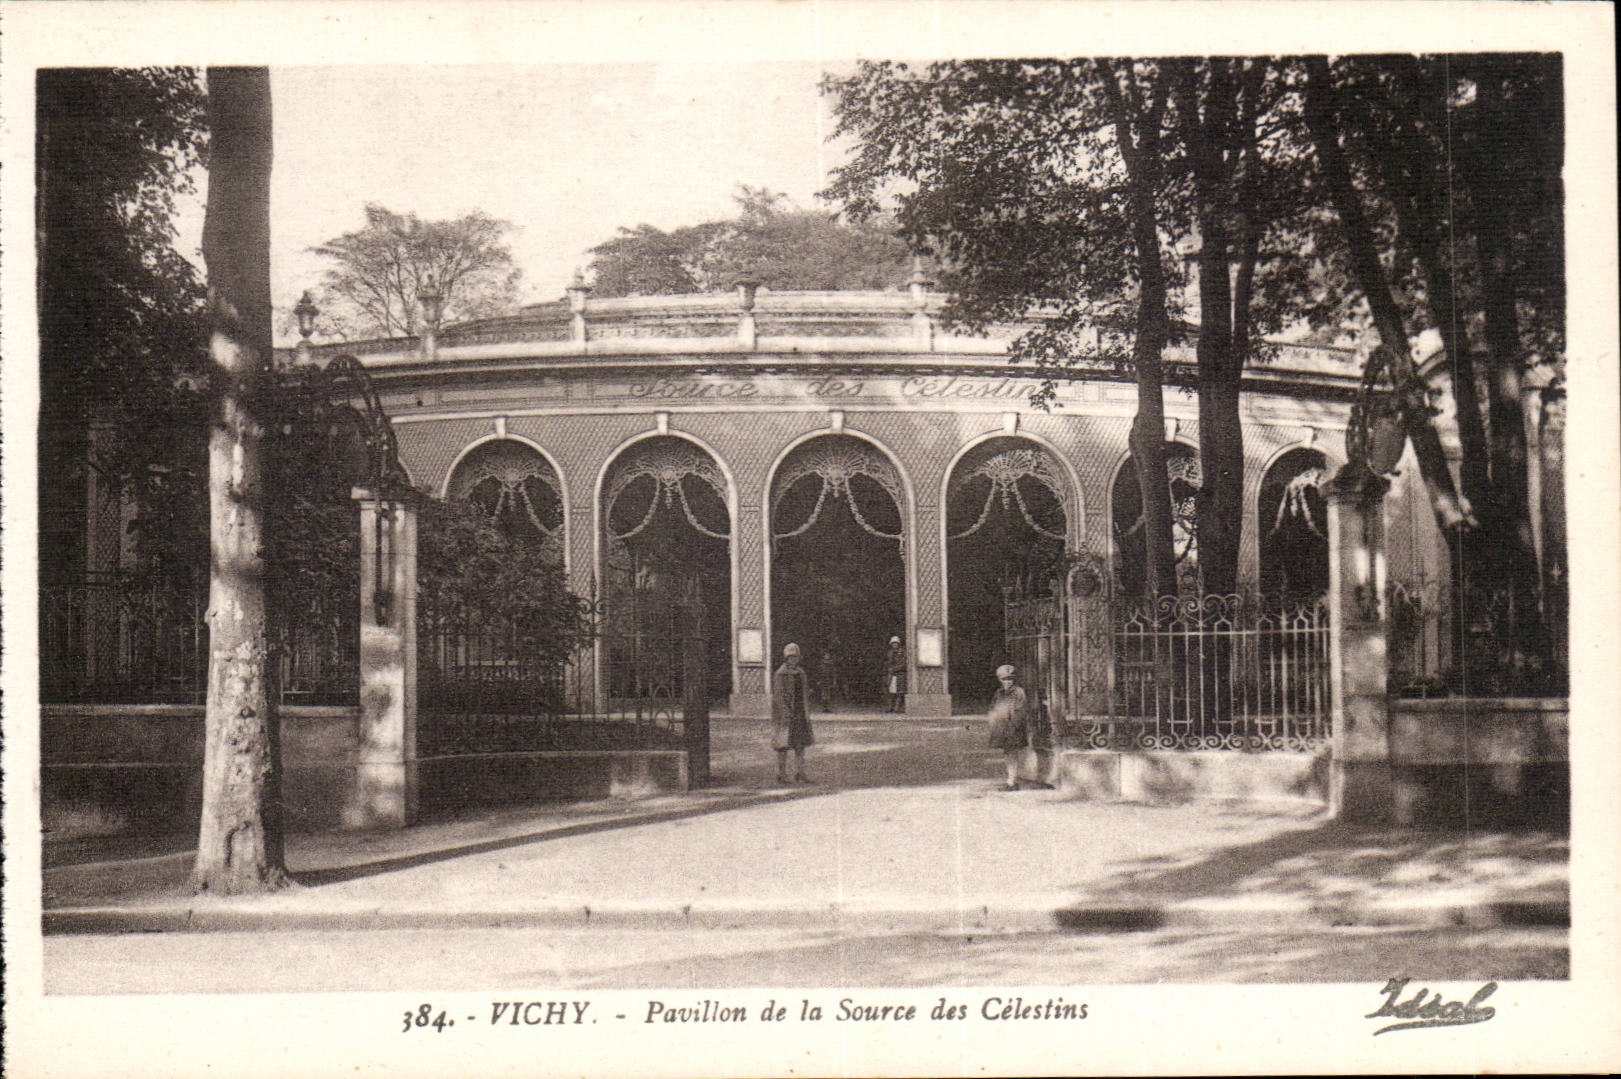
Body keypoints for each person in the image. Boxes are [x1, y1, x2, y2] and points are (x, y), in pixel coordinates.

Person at [771, 642, 814, 784]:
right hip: (786, 715)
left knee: (800, 745)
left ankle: (800, 772)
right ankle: (781, 774)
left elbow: (803, 692)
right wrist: (785, 712)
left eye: (795, 657)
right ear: (786, 658)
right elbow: (778, 696)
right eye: (790, 657)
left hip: (800, 712)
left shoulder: (801, 673)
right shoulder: (780, 674)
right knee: (783, 745)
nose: (793, 660)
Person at [986, 663, 1031, 791]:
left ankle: (1012, 781)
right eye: (1004, 679)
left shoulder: (1019, 692)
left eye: (1010, 679)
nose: (1007, 682)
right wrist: (993, 722)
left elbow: (1020, 711)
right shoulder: (999, 693)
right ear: (1000, 680)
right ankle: (1011, 779)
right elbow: (993, 708)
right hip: (1002, 728)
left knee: (1012, 753)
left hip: (1013, 728)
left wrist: (1013, 726)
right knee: (1007, 754)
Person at [884, 635, 907, 713]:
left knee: (899, 692)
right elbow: (887, 662)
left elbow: (904, 663)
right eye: (893, 643)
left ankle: (897, 707)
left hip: (900, 674)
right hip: (891, 674)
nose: (894, 645)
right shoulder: (890, 653)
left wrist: (895, 668)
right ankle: (890, 707)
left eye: (896, 643)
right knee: (890, 691)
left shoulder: (903, 652)